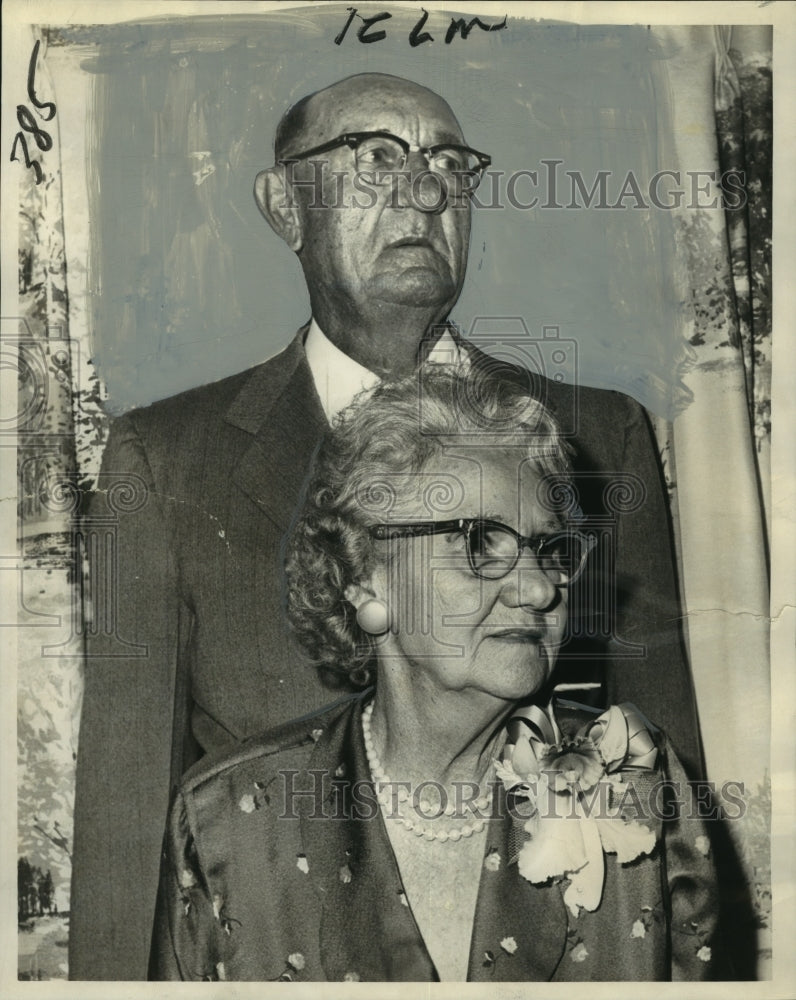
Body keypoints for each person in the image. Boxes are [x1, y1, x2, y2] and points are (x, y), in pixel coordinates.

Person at [71, 72, 702, 979]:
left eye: (450, 163)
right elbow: (129, 824)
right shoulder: (166, 462)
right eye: (377, 159)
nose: (427, 188)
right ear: (285, 205)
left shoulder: (597, 437)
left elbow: (664, 796)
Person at [151, 367, 720, 983]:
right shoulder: (228, 826)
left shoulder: (633, 775)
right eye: (481, 544)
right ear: (366, 574)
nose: (537, 588)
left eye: (551, 552)